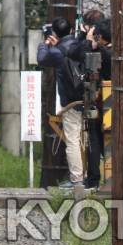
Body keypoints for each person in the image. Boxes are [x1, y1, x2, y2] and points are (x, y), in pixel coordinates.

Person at [37, 17, 85, 189]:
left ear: (55, 33)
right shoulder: (81, 44)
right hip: (89, 96)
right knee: (88, 138)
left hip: (70, 100)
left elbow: (41, 59)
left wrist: (45, 44)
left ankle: (77, 179)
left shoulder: (57, 52)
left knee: (72, 139)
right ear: (72, 30)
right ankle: (91, 176)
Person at [74, 19, 112, 189]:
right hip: (118, 102)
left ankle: (94, 179)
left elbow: (75, 53)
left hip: (100, 101)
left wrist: (88, 40)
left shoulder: (102, 52)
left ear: (101, 37)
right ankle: (112, 176)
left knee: (95, 139)